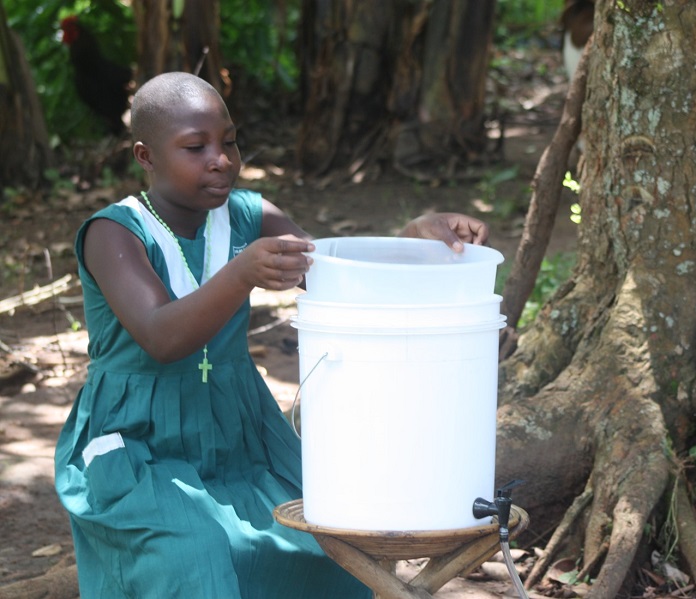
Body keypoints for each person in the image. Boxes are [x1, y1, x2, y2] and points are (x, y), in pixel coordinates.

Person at [54, 71, 490, 598]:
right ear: (146, 156)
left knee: (330, 543)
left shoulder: (248, 215)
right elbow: (160, 337)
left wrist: (414, 237)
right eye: (196, 147)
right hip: (137, 439)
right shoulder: (115, 233)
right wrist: (240, 275)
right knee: (194, 553)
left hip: (240, 428)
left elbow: (340, 278)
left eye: (231, 141)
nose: (223, 159)